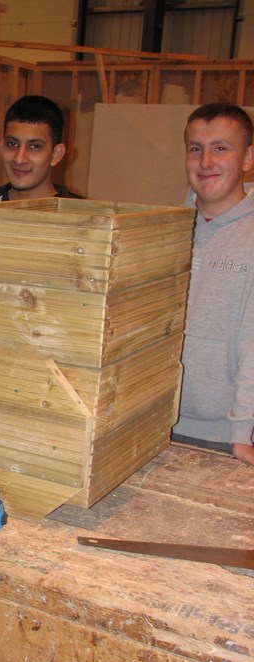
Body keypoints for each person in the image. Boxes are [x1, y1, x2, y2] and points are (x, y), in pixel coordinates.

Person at [172, 102, 254, 466]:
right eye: (196, 148)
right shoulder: (167, 228)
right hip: (157, 424)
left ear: (248, 158)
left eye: (221, 148)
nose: (206, 162)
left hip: (227, 437)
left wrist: (241, 432)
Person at [0, 94, 81, 203]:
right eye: (12, 144)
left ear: (56, 154)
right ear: (2, 147)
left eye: (35, 146)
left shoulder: (82, 217)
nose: (19, 159)